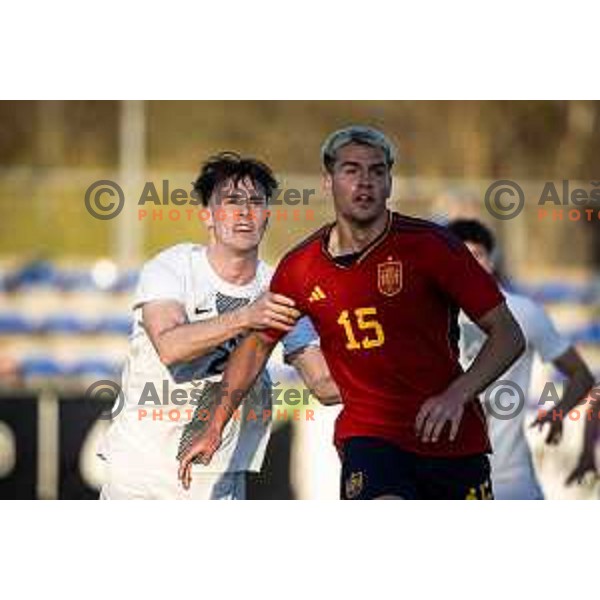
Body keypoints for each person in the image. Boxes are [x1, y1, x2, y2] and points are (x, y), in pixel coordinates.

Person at [178, 126, 526, 500]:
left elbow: (508, 335)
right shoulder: (301, 267)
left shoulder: (432, 246)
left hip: (453, 440)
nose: (365, 182)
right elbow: (257, 345)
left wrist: (456, 395)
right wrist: (213, 424)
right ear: (328, 181)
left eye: (377, 171)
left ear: (390, 183)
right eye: (351, 170)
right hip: (370, 440)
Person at [99, 152, 340, 500]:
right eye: (231, 201)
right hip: (141, 472)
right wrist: (246, 316)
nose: (244, 212)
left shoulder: (282, 287)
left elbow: (322, 383)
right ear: (207, 216)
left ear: (267, 215)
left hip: (219, 476)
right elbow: (170, 346)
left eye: (256, 202)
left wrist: (404, 383)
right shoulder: (171, 267)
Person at [448, 218, 596, 499]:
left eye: (477, 255)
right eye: (461, 256)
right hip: (450, 478)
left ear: (492, 261)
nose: (470, 264)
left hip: (512, 482)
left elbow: (581, 375)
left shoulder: (523, 312)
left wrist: (558, 412)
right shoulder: (426, 316)